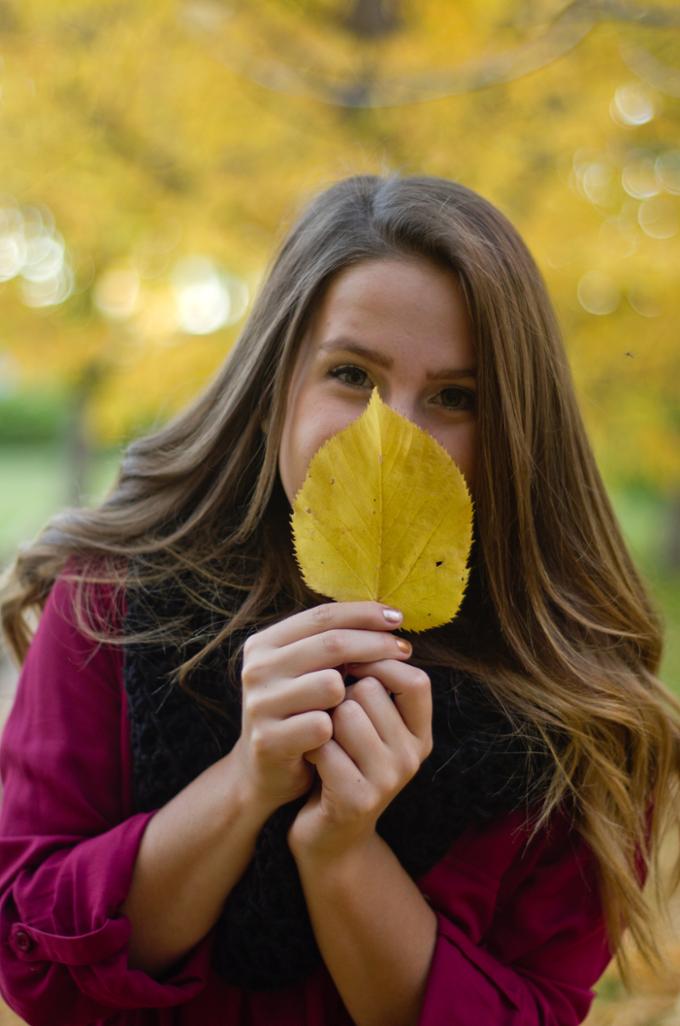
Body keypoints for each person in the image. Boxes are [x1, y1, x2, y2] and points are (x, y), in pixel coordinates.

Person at [0, 173, 678, 1026]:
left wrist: (341, 850)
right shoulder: (117, 598)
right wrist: (245, 784)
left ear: (515, 428)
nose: (392, 438)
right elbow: (34, 964)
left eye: (454, 397)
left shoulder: (573, 705)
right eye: (353, 375)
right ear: (275, 387)